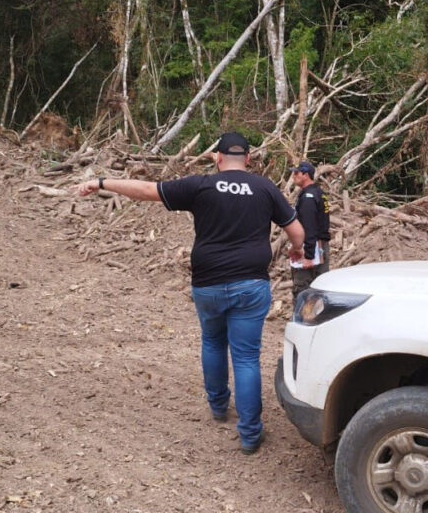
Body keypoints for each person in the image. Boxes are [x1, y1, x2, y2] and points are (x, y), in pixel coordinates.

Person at [76, 132, 304, 455]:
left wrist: (101, 182)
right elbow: (297, 232)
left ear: (218, 158)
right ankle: (250, 434)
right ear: (248, 159)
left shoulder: (201, 185)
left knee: (213, 342)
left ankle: (218, 406)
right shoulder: (265, 187)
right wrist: (297, 250)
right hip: (250, 285)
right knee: (246, 357)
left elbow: (147, 190)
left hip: (208, 284)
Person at [289, 161, 330, 300]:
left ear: (306, 175)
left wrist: (308, 255)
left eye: (296, 173)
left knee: (303, 289)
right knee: (320, 288)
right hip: (321, 247)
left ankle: (303, 314)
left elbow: (309, 226)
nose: (293, 176)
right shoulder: (319, 192)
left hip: (311, 247)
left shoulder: (308, 197)